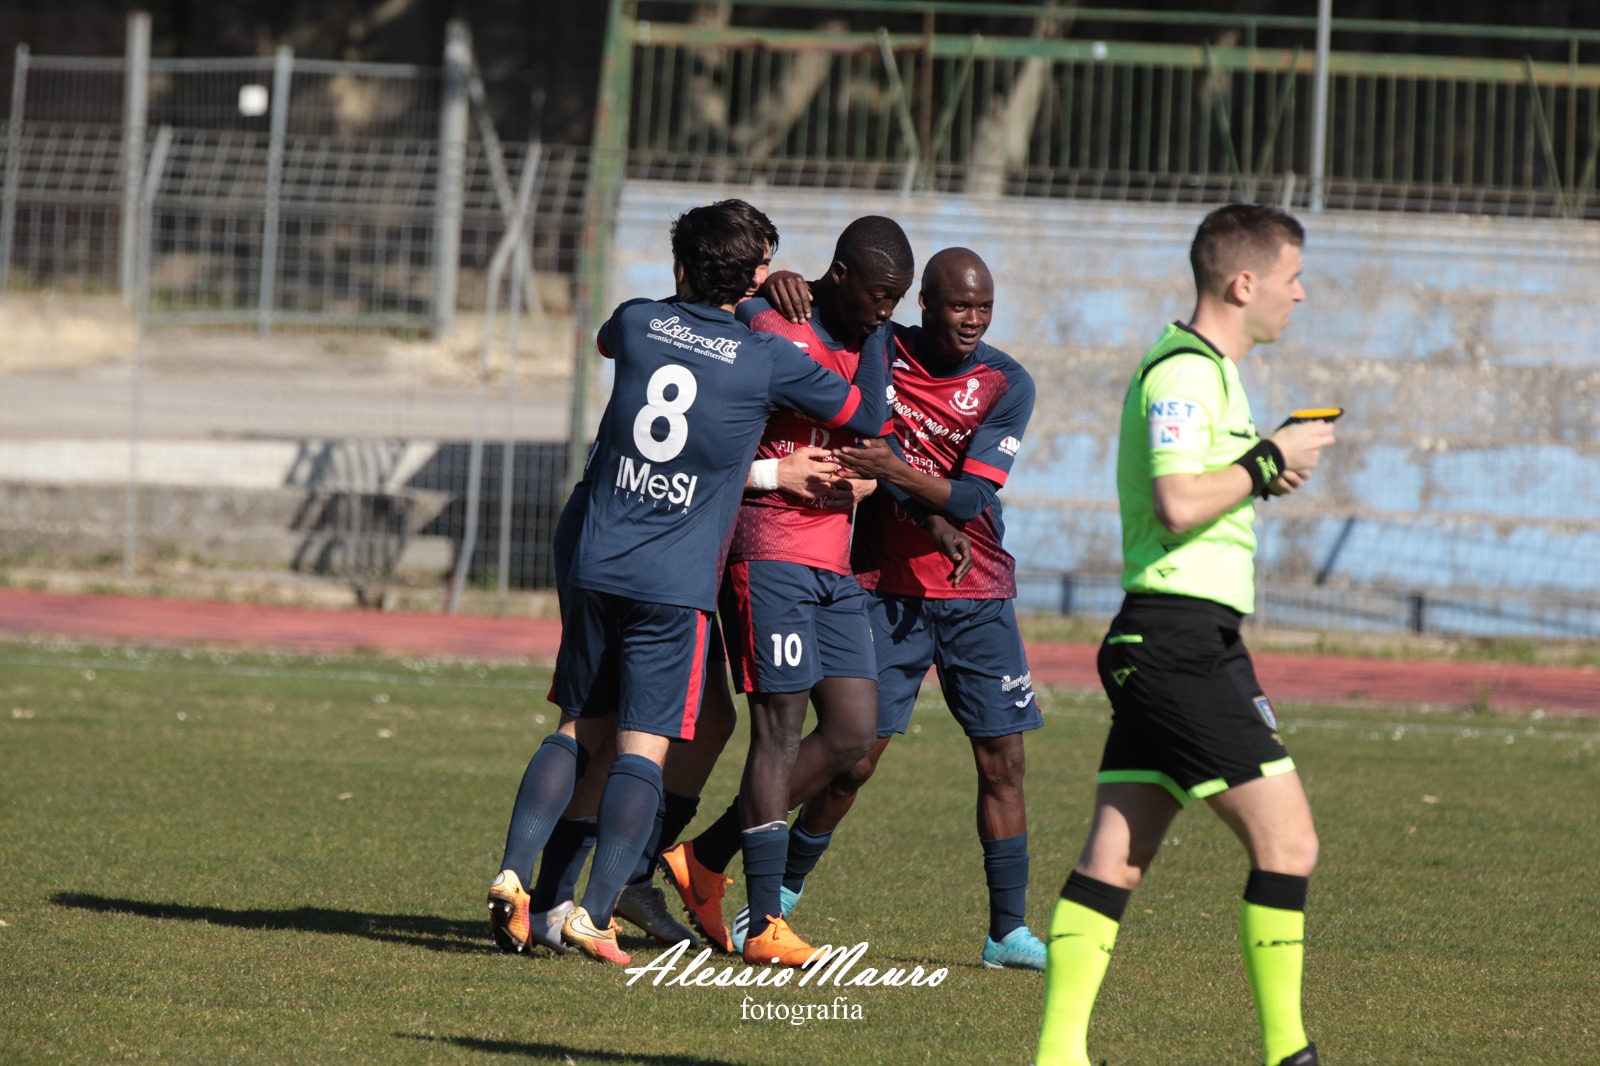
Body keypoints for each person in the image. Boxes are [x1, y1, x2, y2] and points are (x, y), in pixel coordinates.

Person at [485, 198, 889, 965]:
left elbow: (611, 338)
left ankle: (520, 876)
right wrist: (868, 333)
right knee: (643, 744)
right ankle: (592, 911)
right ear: (754, 278)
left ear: (680, 263)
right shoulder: (763, 357)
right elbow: (864, 410)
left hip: (596, 553)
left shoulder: (637, 322)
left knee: (578, 727)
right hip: (674, 575)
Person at [1034, 203, 1336, 1066]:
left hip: (1180, 639)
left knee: (1117, 856)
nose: (1300, 295)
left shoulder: (1214, 374)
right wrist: (1267, 460)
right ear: (1244, 284)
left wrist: (1262, 469)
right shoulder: (1185, 373)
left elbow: (1203, 488)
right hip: (1177, 644)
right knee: (1290, 842)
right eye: (1291, 278)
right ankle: (1289, 1055)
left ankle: (1058, 1056)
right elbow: (1175, 503)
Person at [738, 247, 1049, 971]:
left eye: (984, 308)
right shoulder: (881, 344)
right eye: (959, 306)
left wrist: (897, 472)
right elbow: (826, 316)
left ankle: (1007, 932)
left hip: (978, 593)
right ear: (925, 305)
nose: (972, 320)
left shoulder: (1007, 383)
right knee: (852, 760)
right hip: (883, 588)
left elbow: (970, 498)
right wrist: (783, 283)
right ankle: (777, 889)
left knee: (1004, 762)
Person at [661, 216, 917, 966]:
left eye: (896, 299)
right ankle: (765, 920)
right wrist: (775, 474)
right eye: (878, 296)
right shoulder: (766, 320)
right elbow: (708, 430)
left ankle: (704, 856)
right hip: (768, 551)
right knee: (776, 728)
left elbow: (877, 438)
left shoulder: (874, 343)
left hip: (833, 562)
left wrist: (871, 479)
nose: (886, 311)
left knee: (854, 733)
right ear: (839, 275)